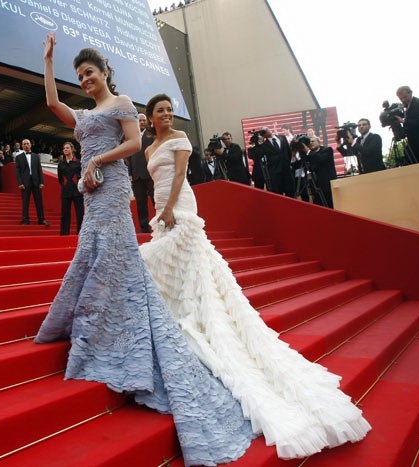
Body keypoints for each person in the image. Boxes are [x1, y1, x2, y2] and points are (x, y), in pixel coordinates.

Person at [34, 32, 253, 467]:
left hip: (111, 188)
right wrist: (48, 61)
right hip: (93, 193)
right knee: (91, 252)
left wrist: (97, 160)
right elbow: (53, 104)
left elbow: (135, 145)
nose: (85, 80)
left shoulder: (122, 104)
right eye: (79, 76)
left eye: (90, 73)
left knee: (113, 254)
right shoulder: (82, 113)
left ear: (105, 73)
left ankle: (111, 321)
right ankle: (96, 316)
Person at [139, 93, 371, 461]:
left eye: (169, 110)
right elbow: (155, 182)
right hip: (161, 208)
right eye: (160, 111)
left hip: (179, 207)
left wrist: (169, 210)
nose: (166, 115)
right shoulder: (149, 149)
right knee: (174, 267)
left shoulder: (180, 140)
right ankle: (181, 316)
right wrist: (158, 209)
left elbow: (183, 176)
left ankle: (195, 319)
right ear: (150, 117)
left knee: (182, 260)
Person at [126, 113, 155, 233]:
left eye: (144, 120)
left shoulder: (152, 136)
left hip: (151, 173)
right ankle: (144, 228)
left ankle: (161, 226)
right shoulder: (131, 137)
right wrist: (130, 173)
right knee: (140, 203)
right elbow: (129, 157)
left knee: (156, 200)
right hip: (136, 176)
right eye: (139, 120)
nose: (142, 122)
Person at [15, 138, 49, 226]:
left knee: (39, 202)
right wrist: (20, 183)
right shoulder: (18, 157)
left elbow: (39, 170)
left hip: (36, 182)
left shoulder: (36, 156)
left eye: (27, 143)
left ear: (30, 145)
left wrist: (42, 182)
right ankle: (25, 220)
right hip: (25, 183)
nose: (26, 145)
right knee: (25, 202)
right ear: (22, 146)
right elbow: (17, 172)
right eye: (24, 144)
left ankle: (41, 219)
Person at [395, 86, 419, 163]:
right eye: (401, 98)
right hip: (413, 145)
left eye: (405, 97)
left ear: (411, 93)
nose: (403, 100)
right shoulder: (405, 107)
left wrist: (404, 122)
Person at [57, 141, 84, 235]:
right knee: (65, 214)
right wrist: (65, 185)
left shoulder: (79, 162)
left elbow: (83, 176)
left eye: (67, 148)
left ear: (72, 149)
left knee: (80, 214)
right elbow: (60, 179)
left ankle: (80, 234)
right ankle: (64, 234)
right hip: (65, 192)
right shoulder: (61, 164)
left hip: (78, 192)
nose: (65, 150)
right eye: (64, 148)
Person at [306, 135, 337, 208]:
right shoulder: (309, 154)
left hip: (328, 183)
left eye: (313, 141)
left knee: (330, 204)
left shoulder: (327, 150)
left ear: (319, 142)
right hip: (316, 185)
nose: (311, 143)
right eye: (309, 142)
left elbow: (321, 159)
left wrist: (308, 152)